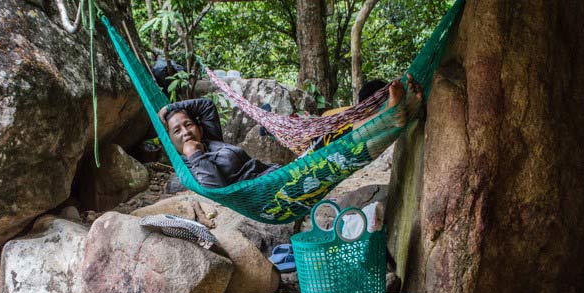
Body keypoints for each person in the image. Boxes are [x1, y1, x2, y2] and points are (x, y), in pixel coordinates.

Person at [159, 75, 423, 189]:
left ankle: (393, 116)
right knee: (332, 145)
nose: (185, 132)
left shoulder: (211, 140)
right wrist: (194, 155)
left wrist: (171, 109)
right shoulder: (191, 165)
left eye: (188, 124)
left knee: (330, 139)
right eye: (176, 130)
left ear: (199, 127)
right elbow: (215, 190)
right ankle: (389, 114)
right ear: (169, 139)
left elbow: (205, 106)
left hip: (280, 174)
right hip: (270, 190)